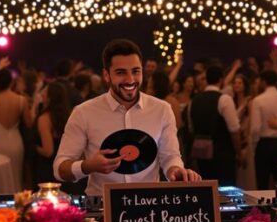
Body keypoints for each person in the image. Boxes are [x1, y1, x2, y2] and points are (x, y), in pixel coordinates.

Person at [54, 39, 200, 197]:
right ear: (106, 75)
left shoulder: (162, 109)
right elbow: (59, 168)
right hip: (102, 209)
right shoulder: (84, 112)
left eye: (136, 71)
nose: (130, 80)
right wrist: (88, 166)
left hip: (148, 205)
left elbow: (170, 156)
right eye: (121, 72)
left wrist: (176, 171)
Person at [188, 65, 241, 186]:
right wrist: (239, 154)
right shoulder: (224, 99)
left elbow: (192, 128)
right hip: (222, 154)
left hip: (200, 153)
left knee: (206, 188)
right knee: (226, 191)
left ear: (206, 79)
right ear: (221, 79)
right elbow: (234, 130)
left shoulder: (194, 101)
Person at [0, 57, 34, 190]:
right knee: (15, 175)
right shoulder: (21, 100)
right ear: (12, 82)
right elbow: (29, 124)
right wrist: (34, 106)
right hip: (15, 141)